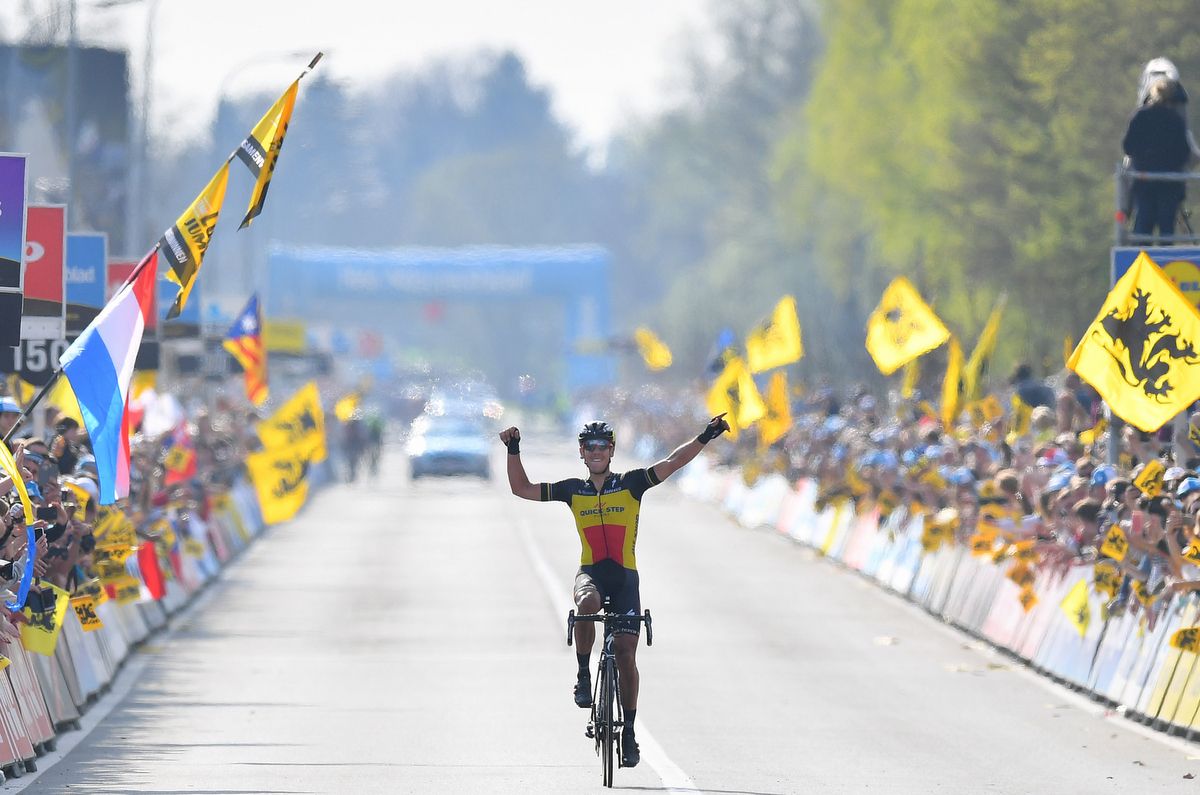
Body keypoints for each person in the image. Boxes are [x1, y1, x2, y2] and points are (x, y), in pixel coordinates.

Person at [499, 414, 730, 768]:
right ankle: (582, 674)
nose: (595, 452)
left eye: (601, 447)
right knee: (587, 603)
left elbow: (673, 462)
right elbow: (522, 489)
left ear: (611, 450)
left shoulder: (632, 483)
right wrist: (513, 449)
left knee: (625, 655)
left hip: (625, 580)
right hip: (591, 573)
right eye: (589, 447)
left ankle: (630, 732)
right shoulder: (572, 489)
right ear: (581, 452)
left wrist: (705, 436)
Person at [1123, 77, 1193, 242]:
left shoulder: (1140, 116)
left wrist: (1145, 158)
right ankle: (1165, 264)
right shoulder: (1176, 120)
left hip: (1144, 181)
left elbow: (1128, 146)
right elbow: (1184, 152)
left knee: (1143, 224)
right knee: (1166, 227)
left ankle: (1140, 262)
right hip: (1169, 183)